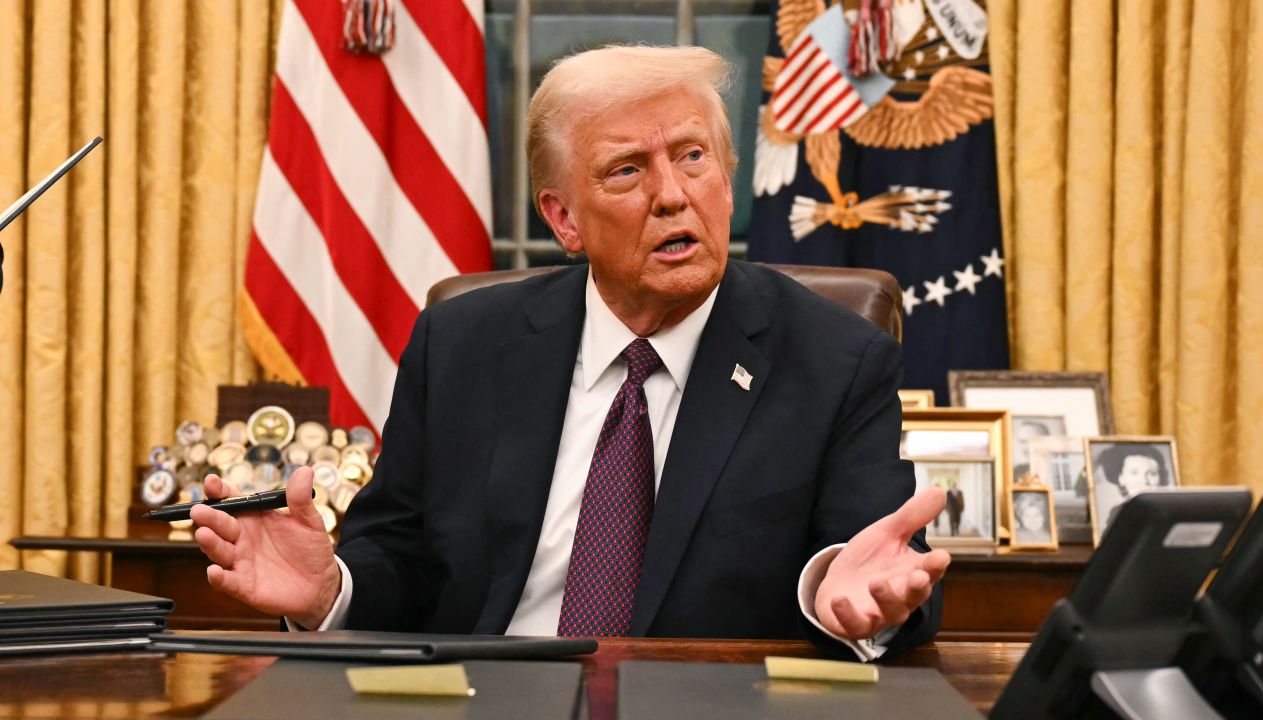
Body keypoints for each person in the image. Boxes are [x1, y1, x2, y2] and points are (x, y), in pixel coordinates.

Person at [189, 45, 948, 660]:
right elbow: (403, 557)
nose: (673, 195)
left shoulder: (836, 357)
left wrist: (845, 598)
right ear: (563, 219)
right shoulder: (464, 343)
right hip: (485, 701)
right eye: (628, 170)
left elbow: (877, 563)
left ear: (727, 178)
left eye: (692, 157)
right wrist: (331, 594)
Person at [1092, 444, 1170, 532]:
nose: (1144, 481)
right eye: (1134, 473)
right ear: (1121, 478)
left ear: (1161, 477)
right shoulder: (1118, 512)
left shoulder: (1170, 510)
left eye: (1152, 474)